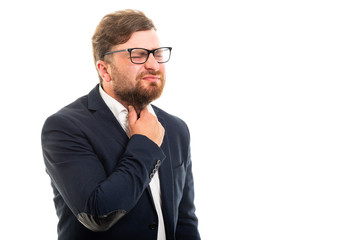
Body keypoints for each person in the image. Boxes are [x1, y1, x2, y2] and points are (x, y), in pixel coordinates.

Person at [41, 9, 200, 240]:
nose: (154, 64)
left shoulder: (176, 129)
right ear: (104, 70)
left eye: (157, 53)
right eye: (138, 54)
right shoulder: (64, 127)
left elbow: (185, 221)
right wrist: (144, 144)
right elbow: (99, 213)